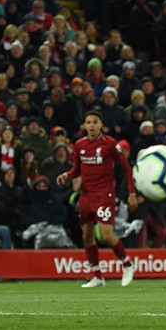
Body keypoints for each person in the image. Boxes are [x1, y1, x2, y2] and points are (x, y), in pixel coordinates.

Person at [57, 109, 138, 287]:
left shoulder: (110, 144)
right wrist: (67, 175)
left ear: (101, 125)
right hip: (86, 195)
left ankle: (127, 264)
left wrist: (132, 193)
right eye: (89, 122)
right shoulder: (79, 145)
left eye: (95, 122)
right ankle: (98, 277)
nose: (92, 125)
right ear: (85, 126)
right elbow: (77, 170)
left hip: (104, 194)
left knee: (107, 235)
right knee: (87, 235)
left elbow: (126, 169)